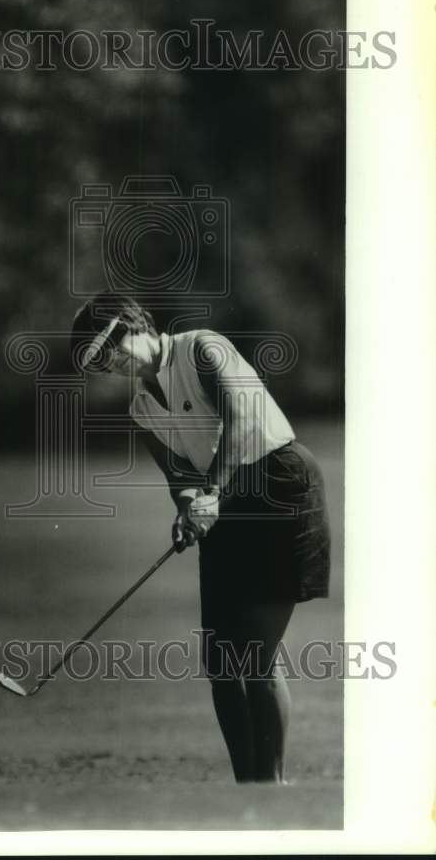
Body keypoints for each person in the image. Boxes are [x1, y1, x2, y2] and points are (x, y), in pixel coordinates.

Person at [70, 291, 331, 784]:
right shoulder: (142, 408)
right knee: (220, 661)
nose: (109, 363)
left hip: (279, 485)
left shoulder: (202, 349)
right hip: (226, 498)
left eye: (110, 346)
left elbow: (242, 419)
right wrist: (190, 506)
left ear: (134, 323)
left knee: (255, 652)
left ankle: (270, 786)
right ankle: (246, 786)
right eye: (97, 361)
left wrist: (211, 490)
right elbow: (178, 475)